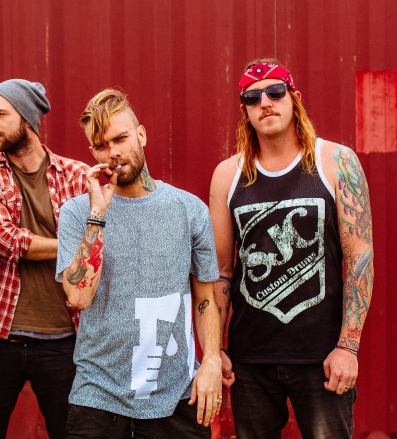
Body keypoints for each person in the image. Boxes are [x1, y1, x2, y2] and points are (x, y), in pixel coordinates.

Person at [209, 59, 374, 438]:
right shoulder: (227, 175)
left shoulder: (336, 162)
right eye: (252, 98)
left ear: (294, 98)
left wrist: (348, 347)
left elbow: (359, 260)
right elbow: (221, 273)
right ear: (244, 111)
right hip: (251, 359)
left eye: (275, 92)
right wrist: (215, 351)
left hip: (324, 356)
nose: (265, 102)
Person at [56, 88, 223, 438]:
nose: (113, 152)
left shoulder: (190, 210)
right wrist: (98, 215)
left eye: (121, 138)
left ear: (141, 135)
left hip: (176, 399)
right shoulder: (77, 213)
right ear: (92, 153)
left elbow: (206, 298)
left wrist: (211, 360)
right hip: (98, 398)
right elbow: (79, 297)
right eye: (101, 146)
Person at [0, 79, 89, 439]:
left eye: (1, 114)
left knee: (73, 434)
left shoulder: (78, 176)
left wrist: (89, 244)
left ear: (28, 118)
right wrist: (78, 244)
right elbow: (5, 239)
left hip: (64, 338)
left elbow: (105, 241)